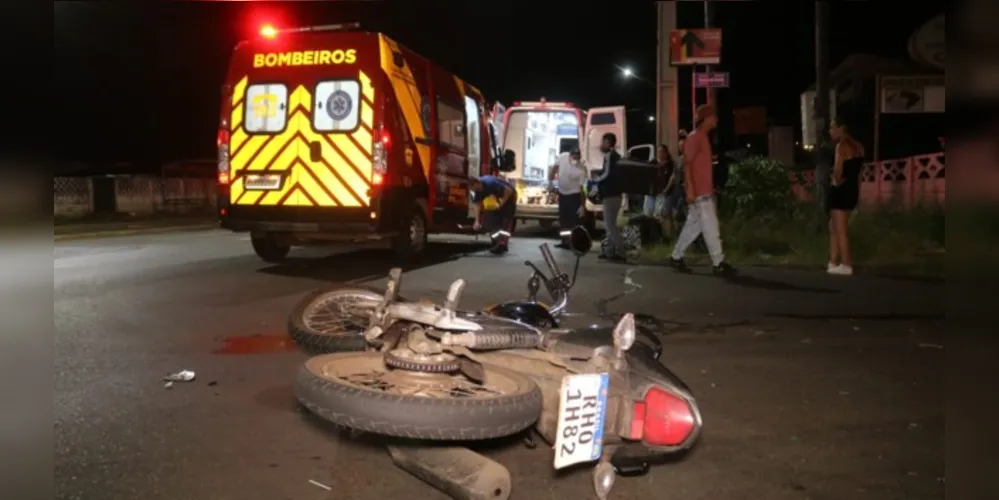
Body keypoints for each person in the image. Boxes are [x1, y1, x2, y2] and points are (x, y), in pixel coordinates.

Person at [668, 105, 736, 276]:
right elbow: (687, 164)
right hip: (700, 192)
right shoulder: (695, 137)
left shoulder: (702, 137)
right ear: (706, 118)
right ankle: (718, 262)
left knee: (693, 227)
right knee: (711, 227)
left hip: (701, 191)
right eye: (713, 116)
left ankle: (676, 257)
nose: (716, 120)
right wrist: (690, 190)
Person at [826, 117, 865, 276]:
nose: (830, 131)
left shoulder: (841, 146)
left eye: (833, 127)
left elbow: (837, 171)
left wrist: (835, 180)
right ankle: (833, 262)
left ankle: (847, 264)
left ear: (842, 128)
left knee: (840, 229)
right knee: (833, 226)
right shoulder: (859, 146)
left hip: (840, 190)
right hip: (852, 189)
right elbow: (859, 173)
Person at [592, 132, 626, 262]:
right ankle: (609, 251)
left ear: (608, 143)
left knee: (610, 225)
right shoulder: (615, 156)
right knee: (610, 225)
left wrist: (597, 180)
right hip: (615, 195)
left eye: (603, 142)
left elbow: (607, 174)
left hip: (611, 195)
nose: (601, 145)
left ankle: (621, 252)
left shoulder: (610, 156)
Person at [470, 174, 518, 255]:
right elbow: (477, 205)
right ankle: (497, 243)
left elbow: (508, 191)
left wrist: (501, 204)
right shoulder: (477, 191)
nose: (472, 190)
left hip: (509, 197)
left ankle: (502, 244)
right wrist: (477, 221)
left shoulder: (490, 183)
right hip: (497, 200)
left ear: (476, 183)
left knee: (505, 222)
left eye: (472, 187)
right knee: (491, 220)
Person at [551, 147, 586, 248]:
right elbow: (554, 169)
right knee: (563, 220)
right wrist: (550, 181)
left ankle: (573, 243)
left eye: (577, 158)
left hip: (574, 196)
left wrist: (582, 205)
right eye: (573, 157)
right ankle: (565, 241)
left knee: (574, 221)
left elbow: (582, 188)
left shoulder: (582, 168)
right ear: (570, 155)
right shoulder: (563, 157)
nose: (575, 160)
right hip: (563, 195)